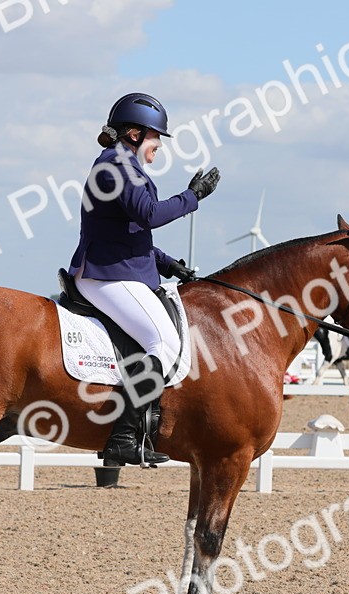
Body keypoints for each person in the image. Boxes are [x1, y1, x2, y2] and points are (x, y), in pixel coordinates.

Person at [68, 92, 221, 465]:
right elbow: (150, 214)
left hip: (117, 268)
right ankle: (123, 437)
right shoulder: (116, 166)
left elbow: (129, 233)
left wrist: (168, 265)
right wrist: (192, 196)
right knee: (165, 344)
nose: (158, 148)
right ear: (135, 134)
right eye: (156, 138)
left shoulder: (121, 166)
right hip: (107, 276)